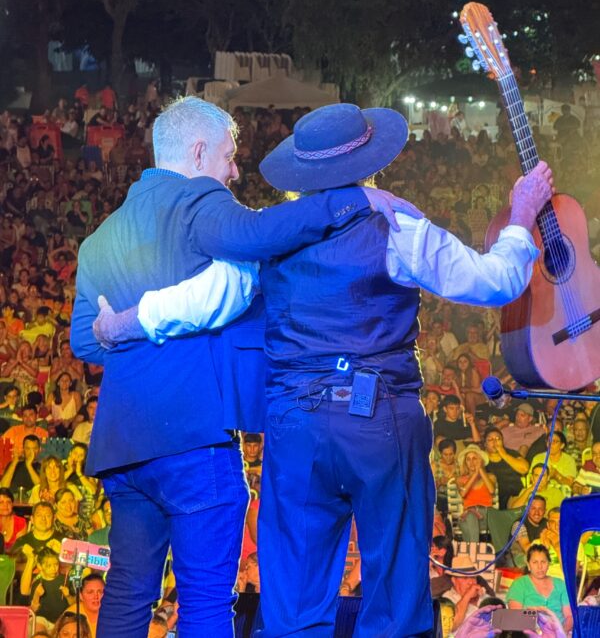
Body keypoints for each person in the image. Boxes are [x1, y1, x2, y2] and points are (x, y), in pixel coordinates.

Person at [96, 103, 555, 637]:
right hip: (380, 418)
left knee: (292, 606)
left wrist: (123, 323)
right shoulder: (396, 223)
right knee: (394, 600)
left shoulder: (268, 235)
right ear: (368, 161)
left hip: (296, 426)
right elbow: (494, 282)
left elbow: (201, 300)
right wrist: (521, 218)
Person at [71, 96, 402, 638]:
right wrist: (346, 200)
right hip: (194, 439)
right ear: (198, 152)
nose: (233, 171)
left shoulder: (101, 236)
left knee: (129, 593)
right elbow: (255, 235)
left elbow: (87, 339)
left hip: (123, 446)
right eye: (228, 156)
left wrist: (137, 320)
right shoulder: (198, 200)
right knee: (204, 602)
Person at [506, 543, 572, 630]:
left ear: (548, 564)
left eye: (543, 562)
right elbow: (516, 616)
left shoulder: (560, 584)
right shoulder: (519, 585)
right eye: (535, 562)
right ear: (528, 565)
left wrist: (563, 632)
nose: (539, 567)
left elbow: (569, 616)